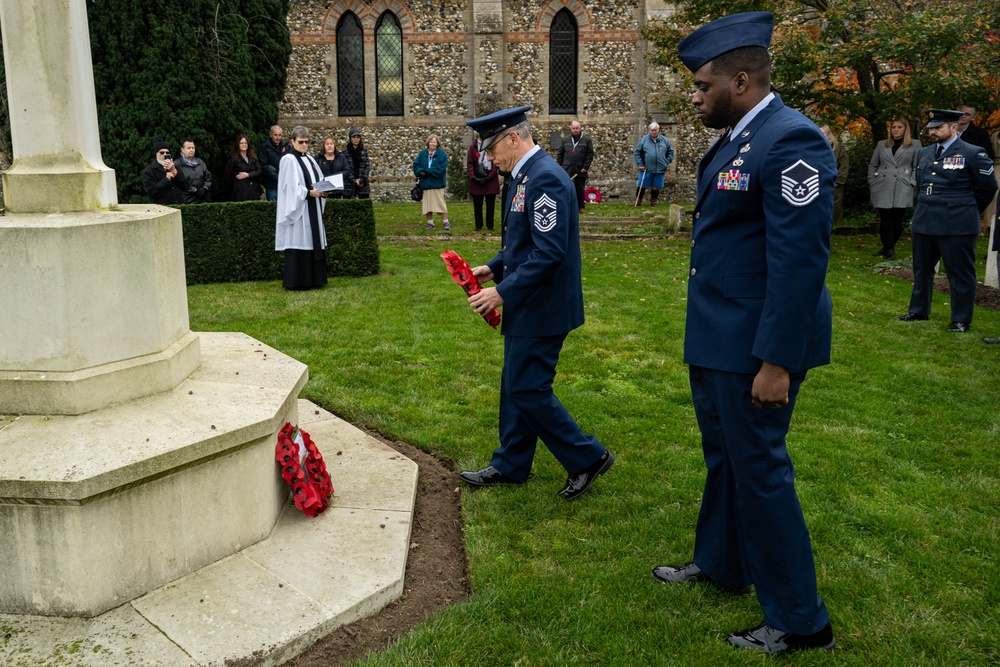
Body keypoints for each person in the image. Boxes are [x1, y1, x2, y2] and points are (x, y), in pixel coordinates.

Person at [651, 12, 837, 655]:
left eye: (702, 87)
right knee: (725, 458)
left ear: (742, 79)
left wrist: (777, 362)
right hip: (721, 335)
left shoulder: (791, 141)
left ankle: (800, 619)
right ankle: (723, 563)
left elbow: (800, 261)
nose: (695, 97)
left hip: (758, 345)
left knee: (760, 471)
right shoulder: (738, 137)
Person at [458, 105, 614, 501]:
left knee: (528, 388)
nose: (489, 159)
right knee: (516, 384)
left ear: (513, 138)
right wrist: (493, 269)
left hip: (543, 305)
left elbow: (548, 254)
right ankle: (511, 463)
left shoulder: (544, 178)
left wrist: (501, 292)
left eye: (492, 150)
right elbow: (521, 243)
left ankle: (587, 457)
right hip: (530, 301)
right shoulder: (525, 175)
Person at [895, 109, 997, 332]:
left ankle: (960, 319)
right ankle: (918, 310)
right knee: (922, 269)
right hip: (925, 219)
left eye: (938, 128)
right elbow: (922, 184)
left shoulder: (972, 152)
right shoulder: (925, 153)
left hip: (957, 223)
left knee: (959, 273)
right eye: (931, 128)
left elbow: (988, 187)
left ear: (954, 127)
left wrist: (968, 210)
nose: (933, 132)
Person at [275, 126, 328, 290]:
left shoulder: (310, 159)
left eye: (307, 142)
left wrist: (324, 189)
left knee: (313, 241)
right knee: (300, 239)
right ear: (292, 141)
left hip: (312, 205)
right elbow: (290, 187)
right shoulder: (289, 159)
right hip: (299, 210)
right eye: (301, 142)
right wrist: (307, 193)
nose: (304, 145)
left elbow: (320, 178)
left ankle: (315, 279)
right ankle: (298, 281)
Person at [867, 119, 920, 260]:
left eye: (899, 127)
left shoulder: (915, 145)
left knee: (897, 218)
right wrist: (873, 182)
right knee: (885, 218)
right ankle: (889, 248)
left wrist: (912, 182)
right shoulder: (882, 144)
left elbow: (917, 166)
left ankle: (888, 247)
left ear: (905, 129)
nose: (895, 130)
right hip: (883, 184)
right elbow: (873, 165)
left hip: (903, 184)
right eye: (893, 127)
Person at [957, 104, 996, 234]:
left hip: (970, 178)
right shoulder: (948, 130)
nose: (962, 116)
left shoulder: (980, 135)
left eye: (967, 114)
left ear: (973, 118)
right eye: (960, 112)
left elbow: (987, 158)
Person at [556, 120, 595, 214]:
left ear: (580, 128)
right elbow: (560, 154)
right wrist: (559, 167)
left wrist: (585, 167)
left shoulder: (586, 140)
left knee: (579, 189)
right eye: (573, 128)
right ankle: (567, 206)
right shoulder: (565, 140)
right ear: (571, 129)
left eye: (577, 128)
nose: (575, 130)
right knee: (566, 188)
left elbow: (590, 155)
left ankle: (580, 206)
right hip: (567, 169)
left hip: (580, 169)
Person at [412, 134, 449, 231]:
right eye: (431, 141)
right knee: (427, 206)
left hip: (437, 184)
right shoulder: (422, 154)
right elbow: (416, 165)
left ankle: (445, 222)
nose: (433, 143)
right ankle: (430, 223)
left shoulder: (441, 154)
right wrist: (420, 171)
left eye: (435, 142)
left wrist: (427, 171)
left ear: (438, 144)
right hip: (425, 184)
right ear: (428, 143)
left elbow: (441, 168)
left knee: (441, 204)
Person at [632, 121, 674, 206]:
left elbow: (671, 152)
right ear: (649, 130)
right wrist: (640, 164)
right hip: (646, 168)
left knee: (656, 185)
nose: (653, 132)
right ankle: (638, 200)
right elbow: (637, 152)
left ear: (658, 130)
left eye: (655, 130)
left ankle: (654, 201)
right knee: (642, 184)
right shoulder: (643, 140)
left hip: (660, 168)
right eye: (651, 130)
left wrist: (666, 162)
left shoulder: (665, 140)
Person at [467, 132, 500, 231]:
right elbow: (470, 163)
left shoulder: (492, 145)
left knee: (490, 204)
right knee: (477, 204)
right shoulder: (473, 147)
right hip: (477, 177)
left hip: (490, 178)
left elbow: (496, 161)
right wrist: (473, 177)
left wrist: (490, 176)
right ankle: (478, 225)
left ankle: (490, 225)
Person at [142, 138, 188, 205]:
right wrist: (166, 179)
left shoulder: (175, 167)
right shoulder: (149, 170)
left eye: (167, 153)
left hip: (178, 206)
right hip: (161, 208)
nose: (164, 154)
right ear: (156, 154)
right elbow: (151, 192)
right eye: (162, 153)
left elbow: (185, 186)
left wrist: (174, 172)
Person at [819, 125, 849, 222]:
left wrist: (836, 182)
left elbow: (844, 168)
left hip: (834, 185)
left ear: (828, 134)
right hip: (818, 184)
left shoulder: (838, 149)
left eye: (823, 133)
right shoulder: (814, 148)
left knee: (834, 209)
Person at [223, 134, 262, 202]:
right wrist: (236, 184)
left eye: (245, 143)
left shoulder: (253, 157)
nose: (244, 145)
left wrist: (248, 175)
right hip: (240, 191)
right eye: (241, 143)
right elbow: (227, 175)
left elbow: (259, 171)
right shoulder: (233, 158)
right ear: (238, 144)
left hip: (253, 191)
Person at [173, 139, 212, 204]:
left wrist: (204, 188)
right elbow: (180, 182)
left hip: (203, 199)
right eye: (188, 148)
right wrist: (194, 190)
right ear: (182, 150)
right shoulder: (177, 164)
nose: (191, 150)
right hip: (186, 200)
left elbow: (208, 177)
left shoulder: (200, 162)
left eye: (193, 148)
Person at [259, 125, 289, 202]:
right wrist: (278, 177)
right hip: (272, 185)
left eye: (280, 135)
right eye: (275, 135)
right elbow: (264, 165)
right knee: (273, 209)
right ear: (270, 134)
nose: (278, 137)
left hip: (286, 185)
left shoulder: (287, 146)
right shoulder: (264, 147)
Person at [345, 128, 370, 199]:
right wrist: (354, 180)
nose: (356, 139)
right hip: (349, 185)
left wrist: (362, 180)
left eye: (358, 137)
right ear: (350, 138)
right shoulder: (345, 153)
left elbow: (367, 166)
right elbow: (345, 168)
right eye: (354, 137)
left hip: (363, 184)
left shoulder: (364, 152)